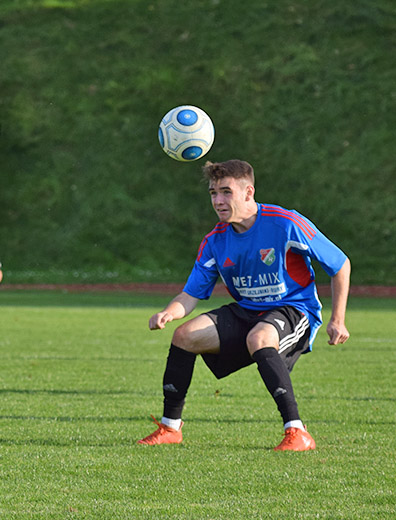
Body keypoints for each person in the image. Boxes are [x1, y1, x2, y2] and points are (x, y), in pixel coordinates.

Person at [138, 159, 350, 451]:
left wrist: (337, 320)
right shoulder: (215, 240)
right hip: (247, 310)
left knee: (259, 337)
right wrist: (168, 313)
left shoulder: (285, 223)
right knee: (185, 336)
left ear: (248, 192)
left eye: (226, 192)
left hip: (294, 308)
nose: (218, 200)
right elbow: (190, 295)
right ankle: (170, 428)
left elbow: (339, 264)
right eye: (213, 193)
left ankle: (297, 432)